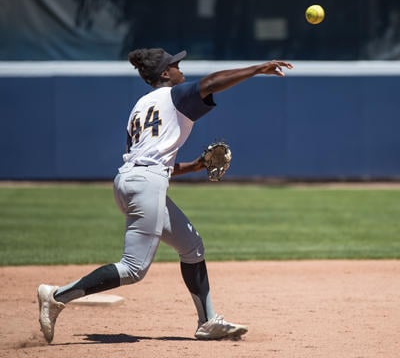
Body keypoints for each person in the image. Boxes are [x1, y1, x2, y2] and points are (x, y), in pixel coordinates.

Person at [37, 48, 293, 343]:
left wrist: (196, 166)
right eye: (174, 64)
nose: (179, 67)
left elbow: (150, 160)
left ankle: (207, 321)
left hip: (131, 180)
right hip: (145, 183)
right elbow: (210, 84)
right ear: (164, 74)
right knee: (133, 269)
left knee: (192, 246)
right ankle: (56, 296)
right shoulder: (175, 96)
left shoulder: (141, 106)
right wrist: (257, 69)